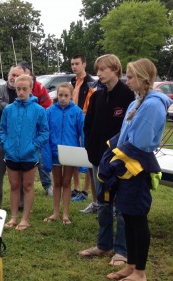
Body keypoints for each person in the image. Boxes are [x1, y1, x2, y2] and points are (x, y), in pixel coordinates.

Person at [104, 58, 172, 281]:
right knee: (128, 216)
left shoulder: (152, 105)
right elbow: (125, 135)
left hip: (137, 167)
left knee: (137, 219)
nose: (127, 80)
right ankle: (131, 266)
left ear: (144, 79)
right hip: (125, 165)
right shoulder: (136, 102)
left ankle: (140, 272)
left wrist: (117, 154)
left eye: (131, 76)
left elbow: (141, 142)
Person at [79, 54, 134, 267]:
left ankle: (122, 250)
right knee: (102, 203)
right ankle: (104, 245)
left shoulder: (128, 96)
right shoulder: (96, 96)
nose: (99, 73)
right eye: (98, 69)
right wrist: (91, 149)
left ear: (115, 70)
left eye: (103, 69)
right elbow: (88, 125)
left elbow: (130, 130)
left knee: (121, 205)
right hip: (98, 159)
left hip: (121, 160)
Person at [0, 74, 48, 231]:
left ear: (31, 89)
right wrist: (6, 145)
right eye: (18, 89)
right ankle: (14, 217)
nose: (20, 92)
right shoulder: (8, 109)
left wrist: (33, 146)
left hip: (29, 155)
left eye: (24, 89)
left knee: (27, 185)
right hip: (11, 154)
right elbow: (3, 130)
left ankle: (25, 218)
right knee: (14, 185)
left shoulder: (39, 110)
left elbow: (44, 132)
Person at [0, 64, 26, 209]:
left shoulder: (27, 92)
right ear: (8, 75)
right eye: (12, 75)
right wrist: (16, 107)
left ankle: (21, 203)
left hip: (20, 139)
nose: (14, 78)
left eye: (17, 76)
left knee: (20, 171)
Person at [43, 83, 84, 225]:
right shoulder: (49, 111)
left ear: (71, 96)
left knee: (66, 183)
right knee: (57, 183)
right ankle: (55, 212)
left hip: (70, 153)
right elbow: (45, 132)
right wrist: (47, 152)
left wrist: (82, 153)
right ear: (56, 95)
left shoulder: (77, 112)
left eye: (66, 95)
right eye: (60, 95)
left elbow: (82, 133)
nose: (62, 98)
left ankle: (65, 214)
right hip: (54, 152)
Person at [23, 63, 53, 196]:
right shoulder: (17, 86)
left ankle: (47, 185)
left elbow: (47, 106)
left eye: (29, 75)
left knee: (40, 159)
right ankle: (21, 189)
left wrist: (37, 118)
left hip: (36, 131)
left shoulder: (39, 87)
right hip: (21, 132)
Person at [70, 54, 96, 205]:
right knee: (73, 154)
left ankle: (85, 190)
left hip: (85, 121)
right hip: (72, 122)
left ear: (84, 64)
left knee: (87, 156)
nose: (74, 67)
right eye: (72, 64)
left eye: (77, 64)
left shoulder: (91, 83)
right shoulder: (73, 81)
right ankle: (77, 187)